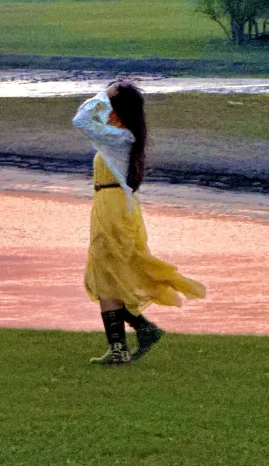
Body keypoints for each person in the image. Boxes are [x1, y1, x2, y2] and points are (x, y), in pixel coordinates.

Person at [73, 79, 205, 366]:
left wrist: (104, 94)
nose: (106, 107)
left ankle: (126, 343)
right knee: (106, 272)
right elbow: (90, 119)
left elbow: (81, 119)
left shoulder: (122, 138)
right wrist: (110, 95)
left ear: (117, 108)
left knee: (107, 273)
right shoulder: (118, 135)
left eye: (111, 103)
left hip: (113, 208)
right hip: (108, 205)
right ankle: (140, 332)